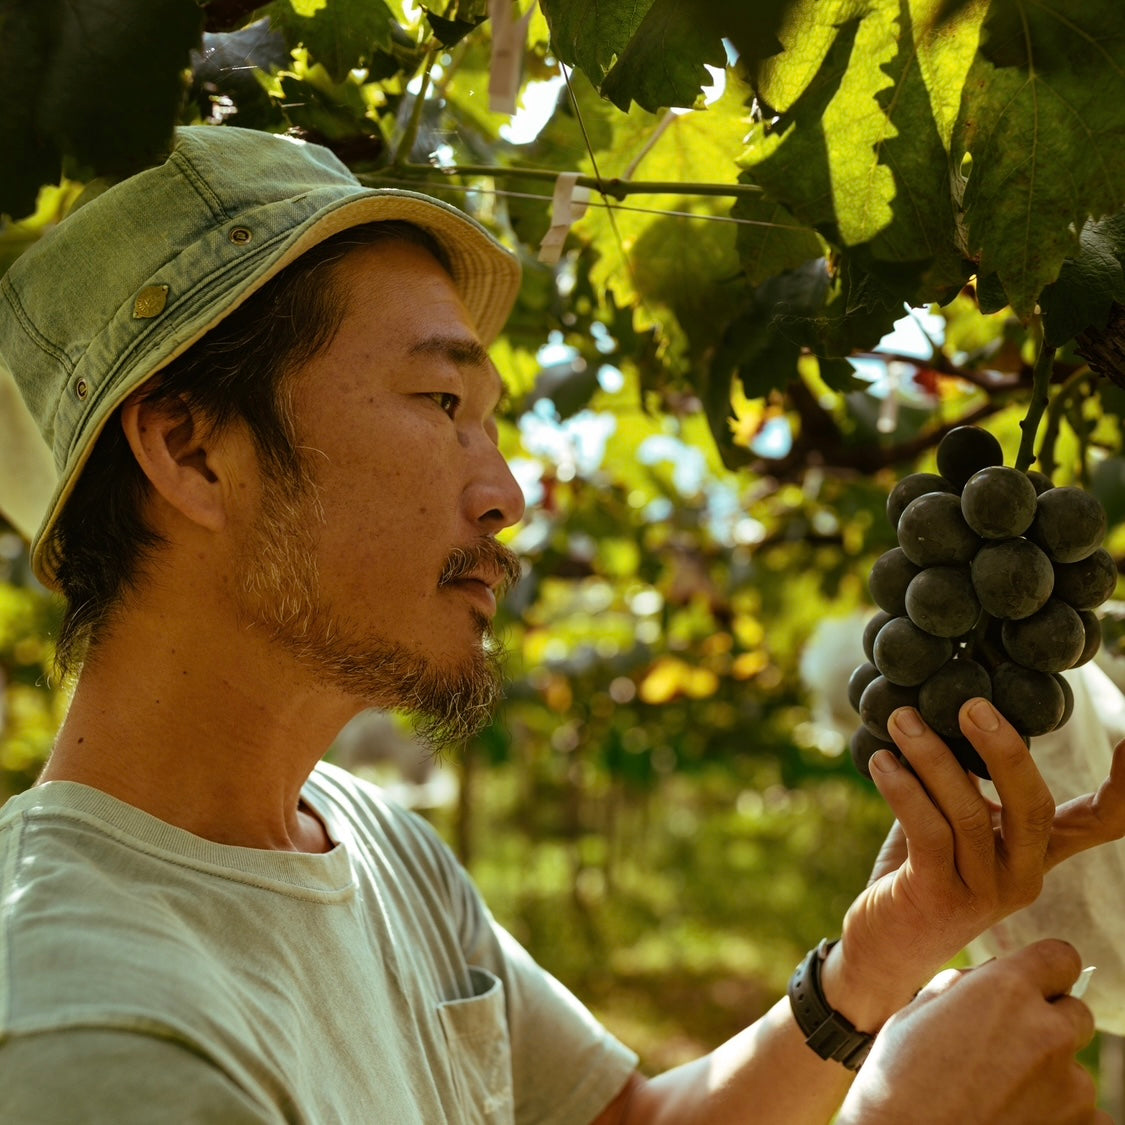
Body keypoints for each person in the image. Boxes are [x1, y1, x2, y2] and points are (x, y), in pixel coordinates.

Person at [0, 124, 1122, 1125]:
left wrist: (868, 972)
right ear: (192, 451)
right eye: (442, 403)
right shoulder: (91, 1037)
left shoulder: (371, 843)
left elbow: (630, 1119)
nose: (507, 496)